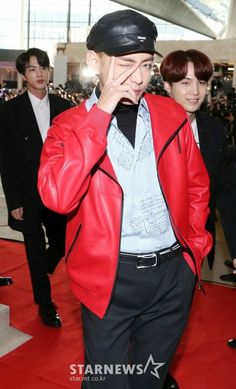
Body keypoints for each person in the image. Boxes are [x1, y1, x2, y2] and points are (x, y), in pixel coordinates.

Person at [38, 10, 212, 389]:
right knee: (106, 382)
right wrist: (100, 116)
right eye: (126, 64)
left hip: (172, 275)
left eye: (146, 65)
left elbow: (198, 186)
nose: (137, 77)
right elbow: (58, 198)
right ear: (93, 61)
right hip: (109, 279)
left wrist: (194, 249)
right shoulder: (67, 127)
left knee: (150, 379)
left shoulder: (171, 114)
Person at [0, 48, 73, 328]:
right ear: (23, 74)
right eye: (32, 69)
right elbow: (6, 160)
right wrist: (15, 199)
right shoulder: (9, 111)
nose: (39, 73)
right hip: (28, 194)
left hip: (57, 192)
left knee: (62, 243)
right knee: (32, 249)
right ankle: (45, 305)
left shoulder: (64, 107)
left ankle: (45, 264)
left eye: (43, 67)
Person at [160, 49, 236, 277]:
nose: (195, 92)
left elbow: (227, 193)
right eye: (185, 82)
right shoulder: (150, 128)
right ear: (166, 85)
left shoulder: (213, 129)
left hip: (196, 244)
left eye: (201, 82)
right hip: (153, 245)